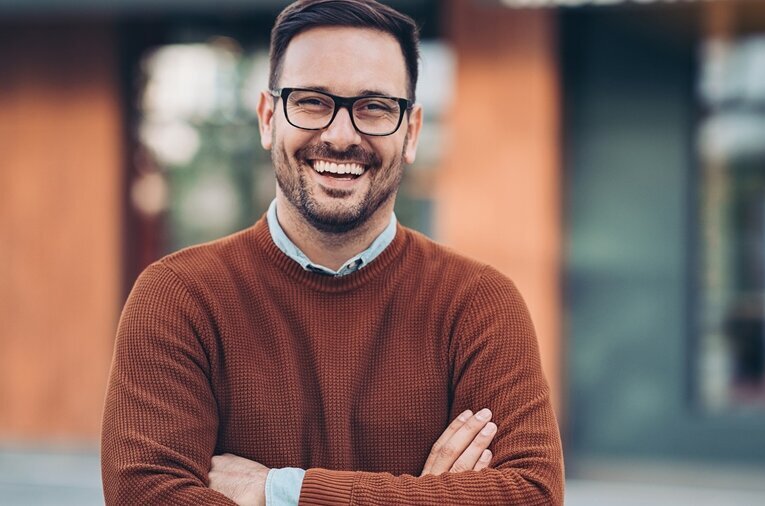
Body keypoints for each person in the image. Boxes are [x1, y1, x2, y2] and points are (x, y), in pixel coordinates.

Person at [100, 0, 563, 504]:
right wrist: (427, 497)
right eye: (313, 102)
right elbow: (143, 496)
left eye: (374, 107)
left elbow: (532, 495)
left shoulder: (478, 303)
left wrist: (281, 490)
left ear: (410, 132)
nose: (341, 135)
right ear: (267, 118)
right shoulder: (179, 298)